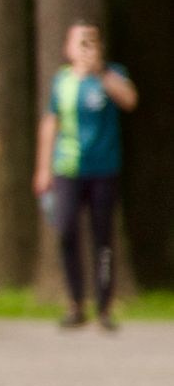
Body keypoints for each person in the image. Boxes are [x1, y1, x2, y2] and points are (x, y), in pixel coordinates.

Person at [34, 22, 138, 332]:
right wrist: (42, 168)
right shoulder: (62, 81)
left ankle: (104, 307)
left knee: (102, 237)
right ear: (67, 48)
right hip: (67, 169)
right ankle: (75, 302)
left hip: (104, 168)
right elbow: (50, 123)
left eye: (90, 42)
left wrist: (100, 71)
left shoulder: (111, 74)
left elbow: (130, 100)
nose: (84, 48)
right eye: (79, 42)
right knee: (65, 229)